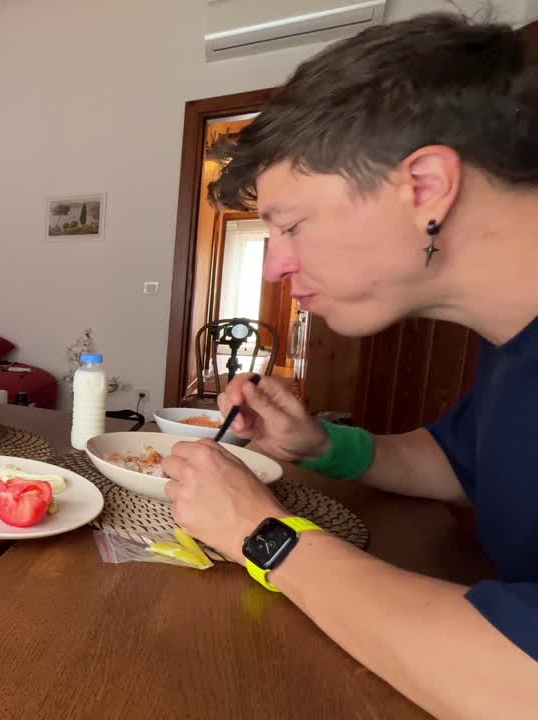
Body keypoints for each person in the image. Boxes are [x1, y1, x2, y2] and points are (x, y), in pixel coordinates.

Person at [163, 13, 538, 718]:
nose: (275, 262)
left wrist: (264, 535)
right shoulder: (511, 340)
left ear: (424, 186)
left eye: (290, 224)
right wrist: (325, 447)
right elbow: (461, 464)